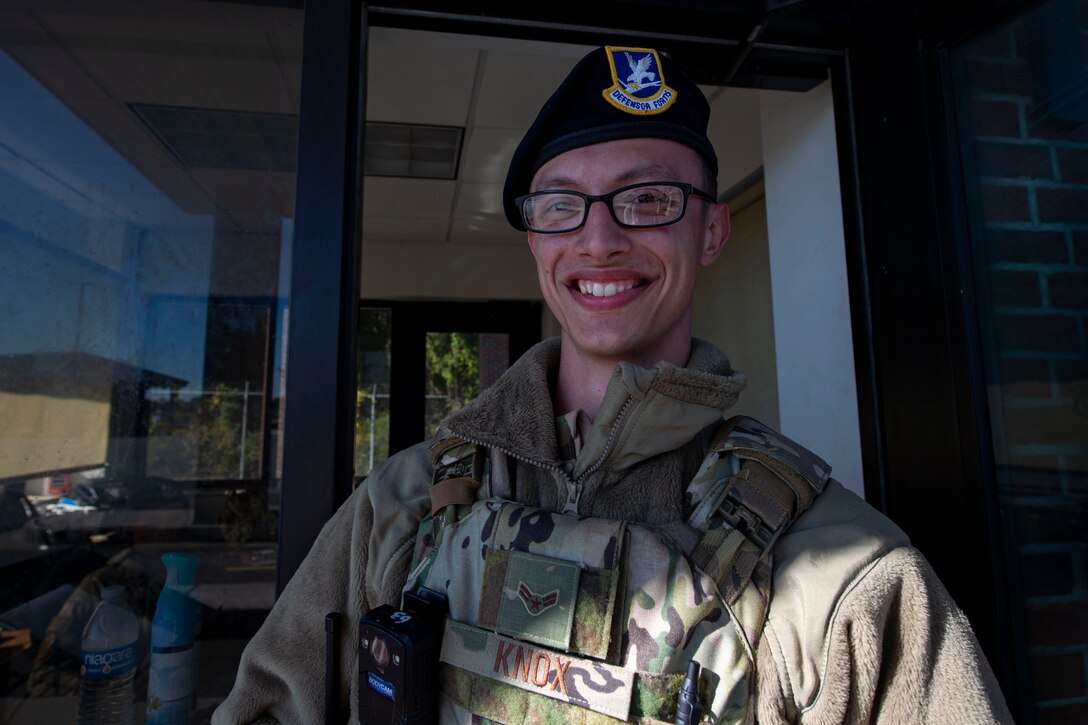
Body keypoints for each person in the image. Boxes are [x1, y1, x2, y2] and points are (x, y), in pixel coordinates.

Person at [215, 46, 1012, 724]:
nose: (599, 239)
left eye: (647, 199)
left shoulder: (847, 573)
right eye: (563, 204)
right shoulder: (400, 505)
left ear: (711, 230)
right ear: (536, 239)